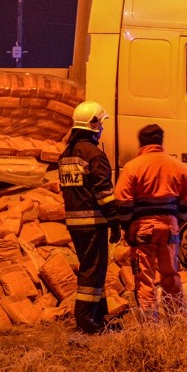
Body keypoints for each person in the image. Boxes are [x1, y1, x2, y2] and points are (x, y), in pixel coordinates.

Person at [114, 124, 187, 322]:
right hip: (169, 229)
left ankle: (151, 327)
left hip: (143, 230)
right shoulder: (177, 166)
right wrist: (177, 221)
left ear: (142, 143)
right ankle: (177, 321)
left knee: (145, 279)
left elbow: (122, 201)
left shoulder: (133, 167)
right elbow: (186, 199)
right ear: (160, 142)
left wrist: (127, 226)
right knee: (171, 276)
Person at [58, 101, 120, 334]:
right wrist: (114, 221)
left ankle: (98, 315)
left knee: (92, 269)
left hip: (74, 223)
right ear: (93, 125)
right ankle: (85, 321)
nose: (103, 128)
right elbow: (103, 193)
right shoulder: (94, 155)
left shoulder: (67, 154)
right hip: (93, 222)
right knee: (93, 270)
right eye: (101, 124)